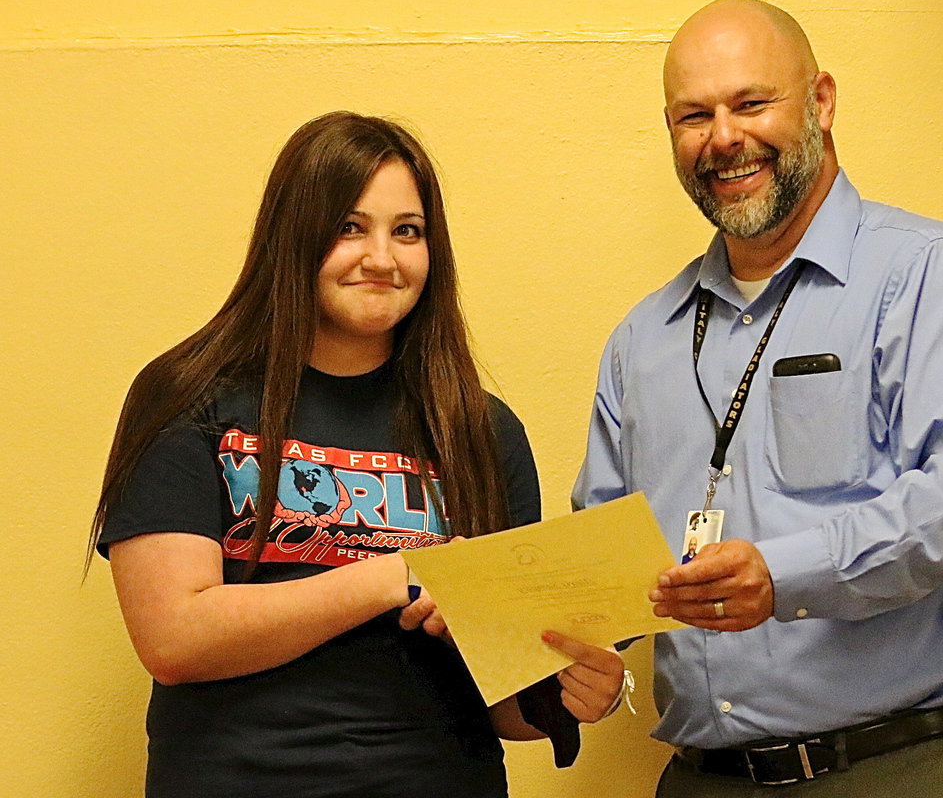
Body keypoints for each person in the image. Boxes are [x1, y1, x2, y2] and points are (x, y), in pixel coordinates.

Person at [573, 0, 943, 797]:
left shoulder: (934, 277)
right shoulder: (640, 341)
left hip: (901, 769)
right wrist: (541, 638)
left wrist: (782, 574)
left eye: (752, 103)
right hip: (699, 779)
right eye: (695, 115)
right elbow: (604, 565)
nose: (725, 137)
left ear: (821, 101)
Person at [89, 112, 623, 798]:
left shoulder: (482, 431)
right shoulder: (188, 397)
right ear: (294, 236)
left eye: (407, 231)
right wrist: (391, 577)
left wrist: (576, 692)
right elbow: (174, 638)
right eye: (350, 227)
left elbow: (505, 699)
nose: (383, 257)